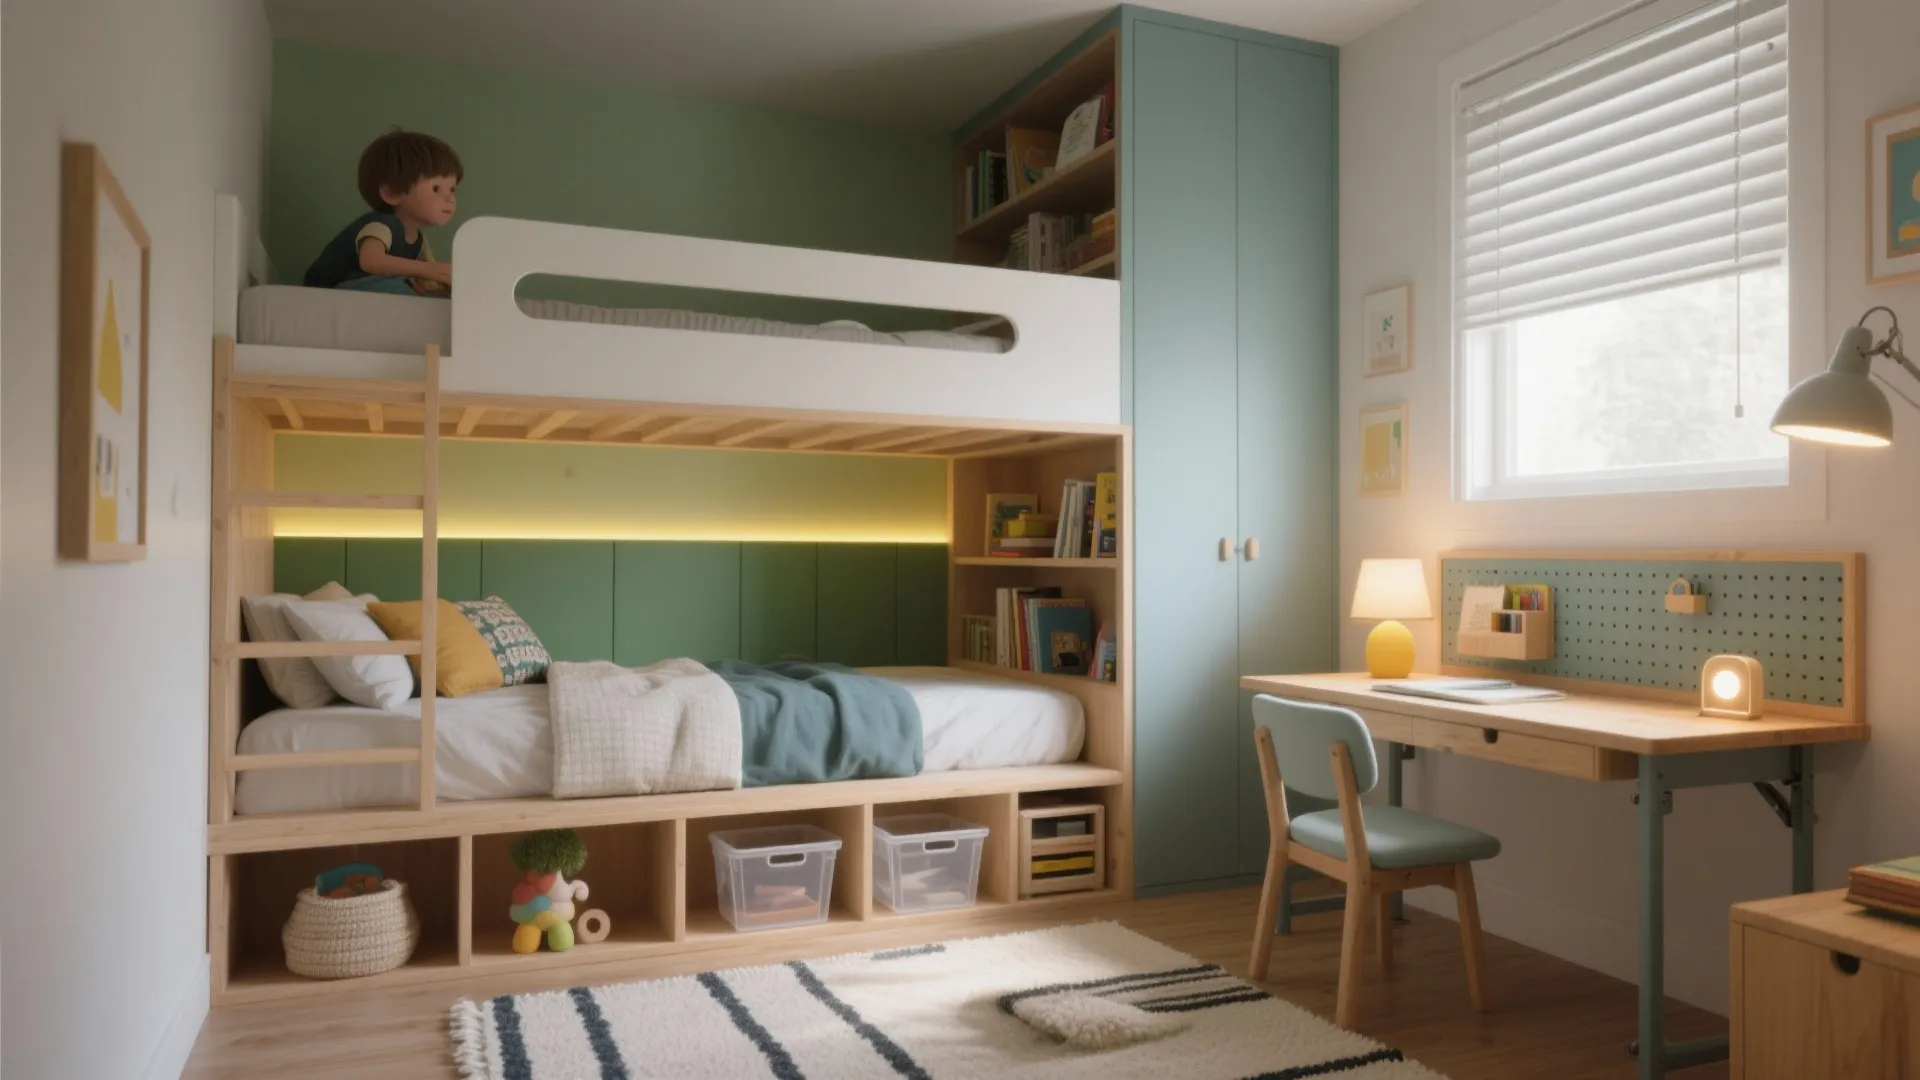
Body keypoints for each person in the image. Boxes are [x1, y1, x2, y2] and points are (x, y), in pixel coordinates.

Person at [303, 128, 460, 295]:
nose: (449, 198)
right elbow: (371, 261)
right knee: (397, 289)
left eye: (452, 189)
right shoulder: (382, 225)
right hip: (329, 287)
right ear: (392, 193)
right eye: (436, 188)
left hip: (365, 285)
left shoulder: (418, 241)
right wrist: (430, 270)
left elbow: (423, 280)